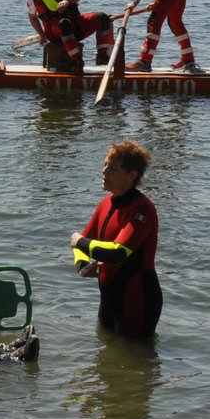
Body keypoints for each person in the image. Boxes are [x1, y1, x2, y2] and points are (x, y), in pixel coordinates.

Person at [70, 140, 163, 339]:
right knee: (106, 359)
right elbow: (86, 241)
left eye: (112, 168)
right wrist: (82, 267)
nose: (104, 171)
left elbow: (117, 252)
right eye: (104, 165)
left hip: (137, 299)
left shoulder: (141, 209)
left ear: (132, 176)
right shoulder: (106, 203)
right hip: (109, 297)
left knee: (137, 362)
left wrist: (77, 241)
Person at [27, 0, 114, 74]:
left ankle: (102, 57)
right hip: (55, 32)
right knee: (64, 23)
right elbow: (32, 17)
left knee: (102, 18)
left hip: (76, 26)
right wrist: (41, 35)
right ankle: (77, 62)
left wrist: (67, 1)